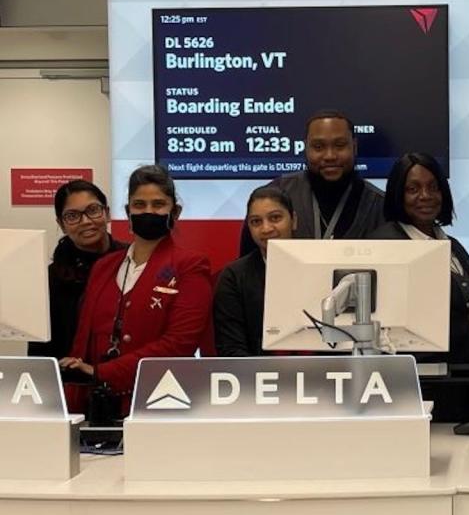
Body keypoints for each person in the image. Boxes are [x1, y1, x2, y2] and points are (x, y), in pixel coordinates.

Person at [59, 165, 213, 419]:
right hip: (96, 406)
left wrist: (101, 372)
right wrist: (73, 396)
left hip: (156, 401)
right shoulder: (105, 266)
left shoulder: (191, 265)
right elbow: (83, 338)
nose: (148, 211)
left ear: (175, 211)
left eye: (158, 204)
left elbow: (179, 344)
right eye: (139, 205)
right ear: (127, 211)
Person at [369, 153, 469, 424]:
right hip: (418, 388)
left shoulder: (450, 244)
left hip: (461, 381)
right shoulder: (387, 245)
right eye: (413, 189)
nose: (425, 195)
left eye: (433, 187)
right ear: (398, 194)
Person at [239, 110, 384, 254]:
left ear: (354, 146)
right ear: (306, 148)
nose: (330, 156)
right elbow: (248, 270)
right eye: (318, 147)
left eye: (339, 145)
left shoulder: (380, 205)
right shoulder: (277, 195)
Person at [29, 180, 126, 359]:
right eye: (72, 216)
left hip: (124, 373)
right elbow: (39, 350)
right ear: (61, 223)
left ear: (107, 213)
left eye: (93, 210)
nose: (86, 221)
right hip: (68, 377)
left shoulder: (131, 261)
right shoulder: (50, 279)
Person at [214, 186, 297, 356]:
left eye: (275, 218)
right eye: (256, 222)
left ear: (294, 220)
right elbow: (230, 348)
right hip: (254, 377)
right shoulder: (234, 277)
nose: (266, 229)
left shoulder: (324, 265)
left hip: (322, 375)